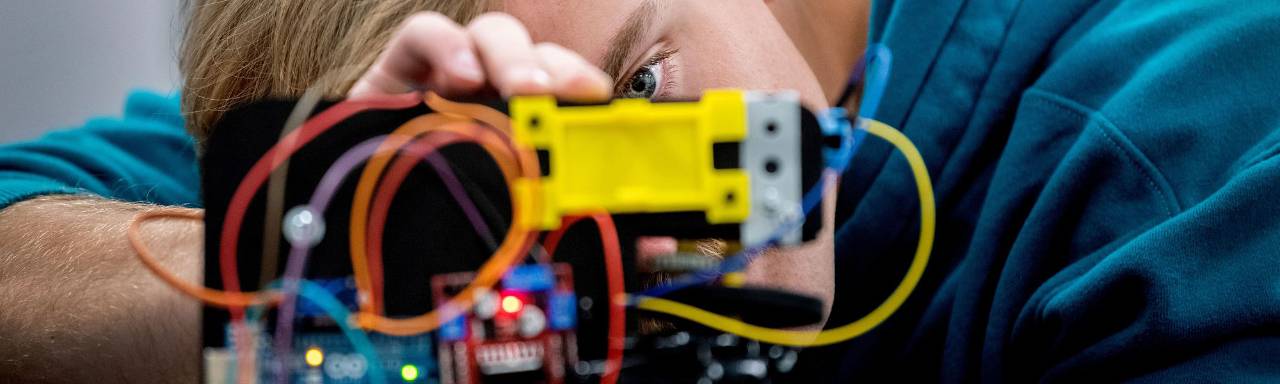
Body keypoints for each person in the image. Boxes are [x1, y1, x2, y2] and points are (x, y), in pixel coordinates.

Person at [1, 0, 1277, 382]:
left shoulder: (1190, 146)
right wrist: (344, 296)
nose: (621, 223)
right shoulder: (383, 126)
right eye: (534, 160)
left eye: (637, 97)